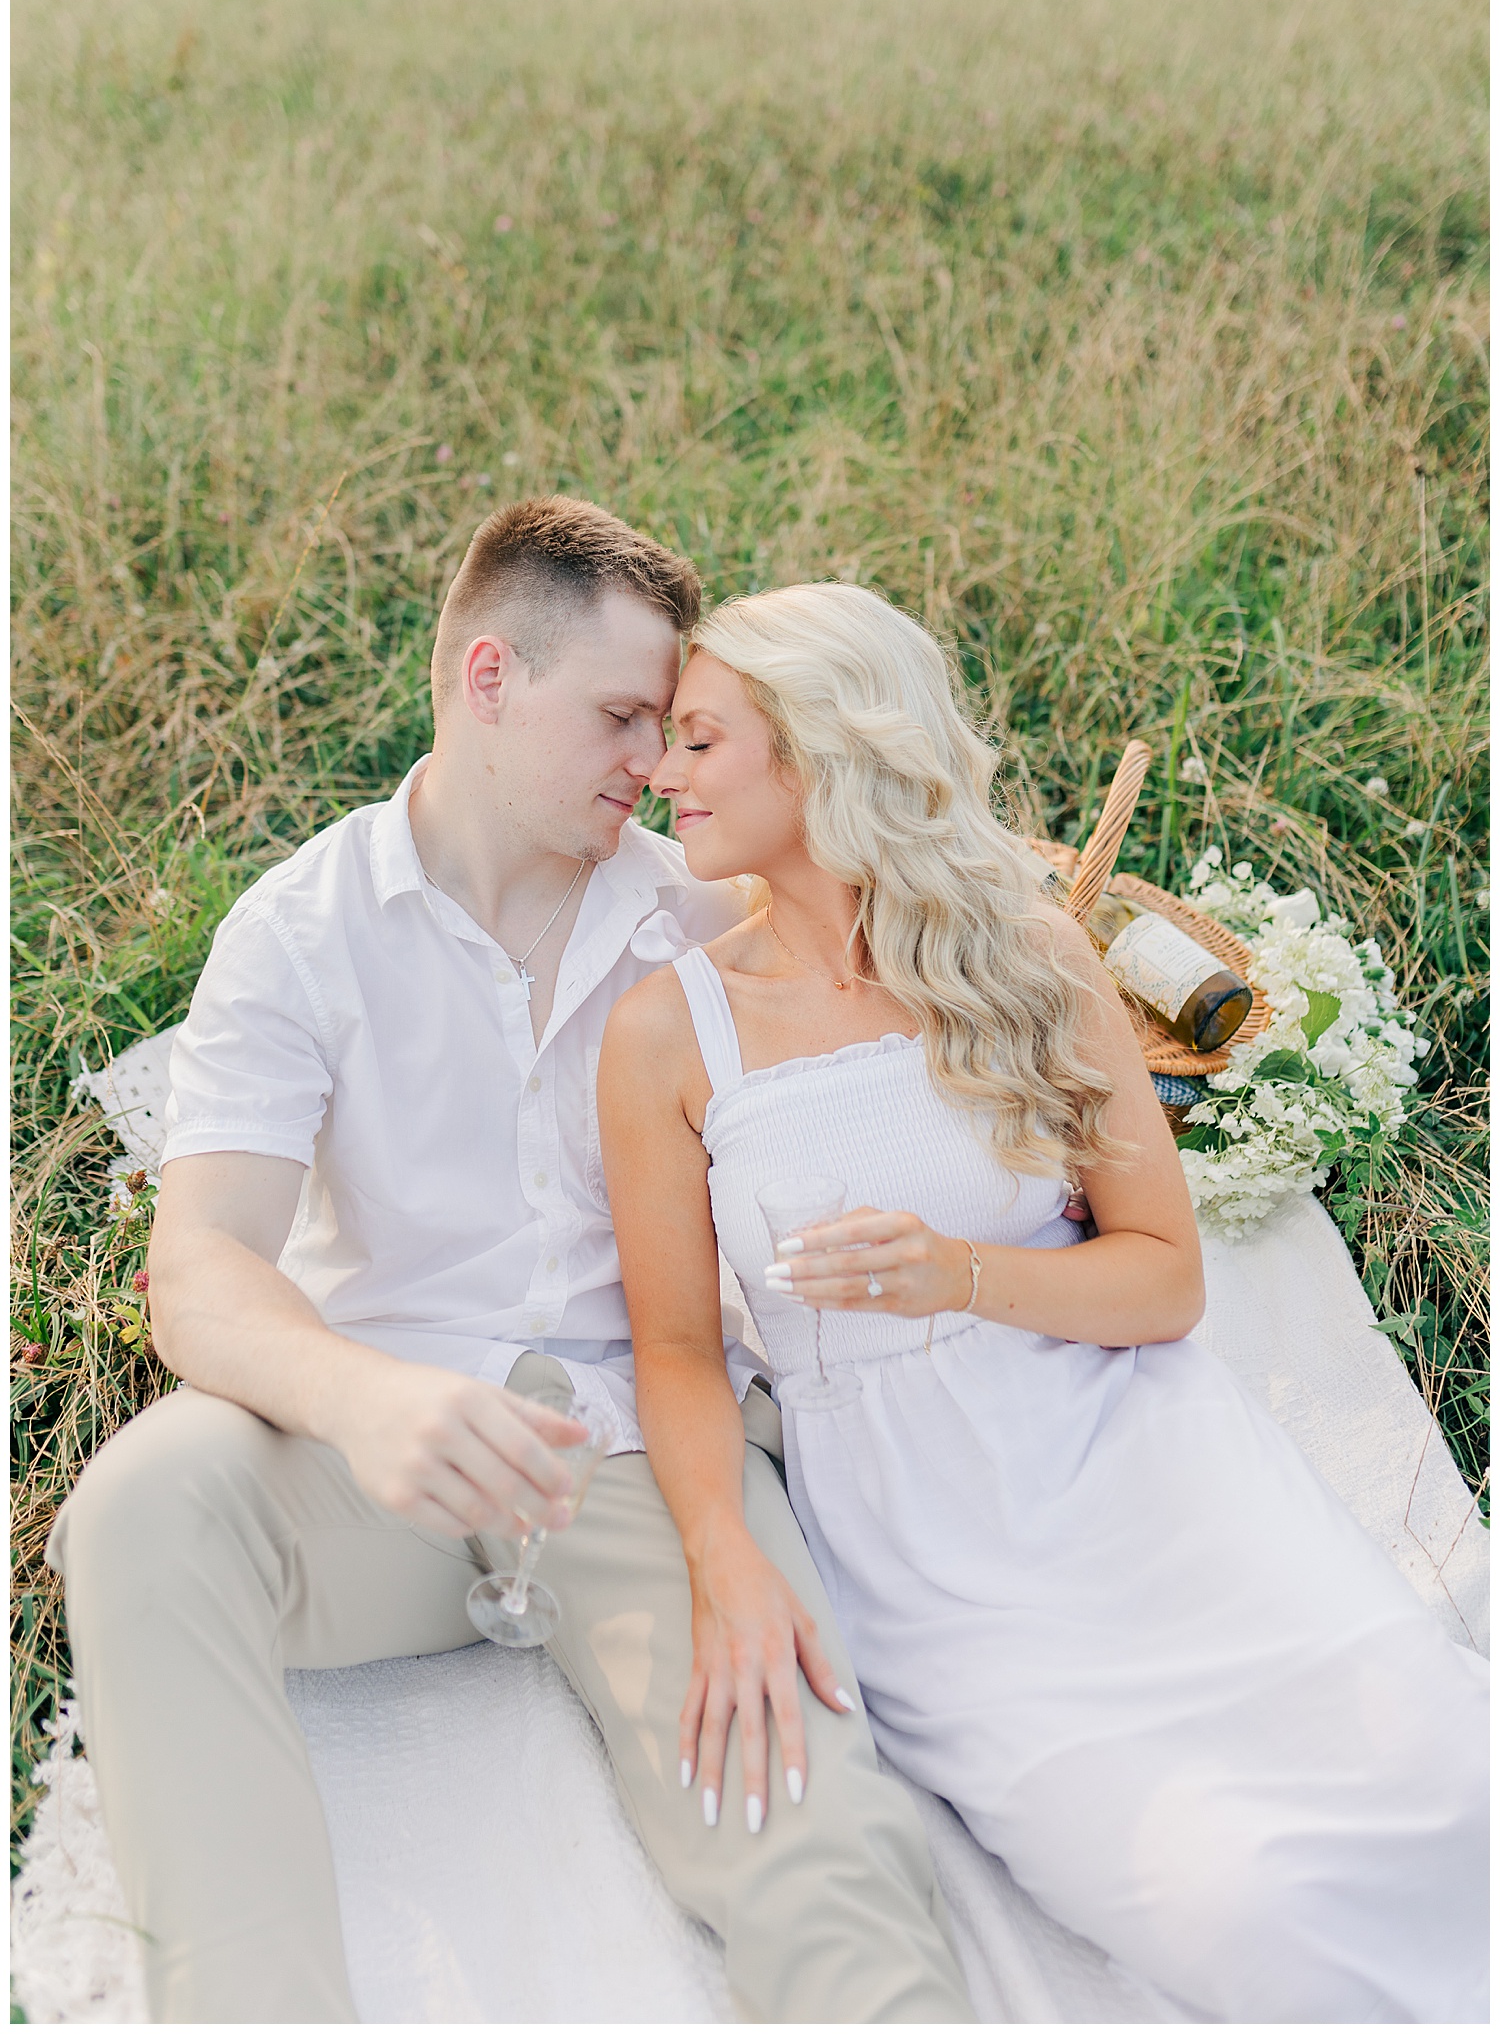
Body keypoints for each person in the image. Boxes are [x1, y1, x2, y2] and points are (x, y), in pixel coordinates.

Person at [48, 501, 975, 2026]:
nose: (655, 765)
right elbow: (202, 1266)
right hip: (381, 1458)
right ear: (489, 677)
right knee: (144, 1506)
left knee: (823, 1848)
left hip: (645, 1448)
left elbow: (929, 939)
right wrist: (361, 1401)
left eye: (675, 729)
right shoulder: (301, 930)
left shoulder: (700, 909)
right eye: (622, 718)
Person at [597, 579, 1490, 2026]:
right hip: (933, 1546)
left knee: (1455, 1782)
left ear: (818, 753)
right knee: (1243, 1905)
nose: (658, 771)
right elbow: (678, 1347)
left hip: (1142, 1466)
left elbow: (1164, 1278)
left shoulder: (1020, 950)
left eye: (700, 741)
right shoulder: (664, 1035)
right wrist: (726, 1559)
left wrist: (957, 1276)